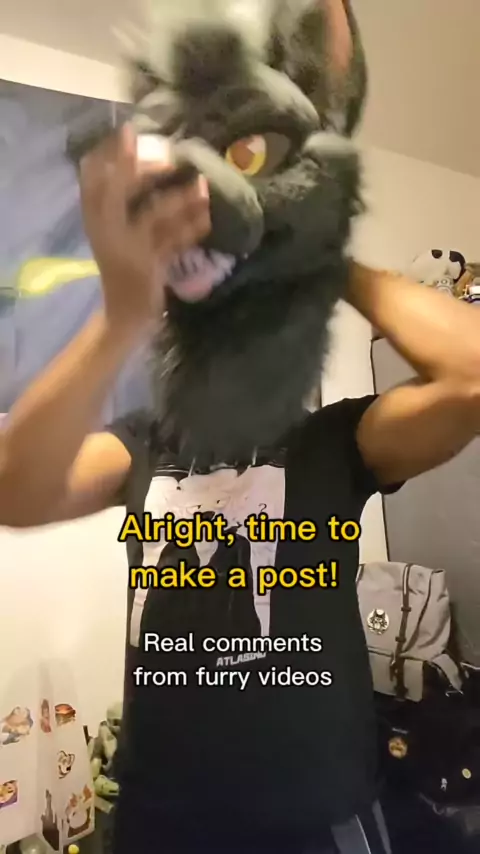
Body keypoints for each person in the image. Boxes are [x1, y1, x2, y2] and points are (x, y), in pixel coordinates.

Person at [1, 126, 480, 854]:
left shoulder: (335, 441)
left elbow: (471, 377)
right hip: (162, 823)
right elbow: (13, 490)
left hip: (316, 822)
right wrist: (122, 314)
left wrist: (322, 259)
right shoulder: (140, 444)